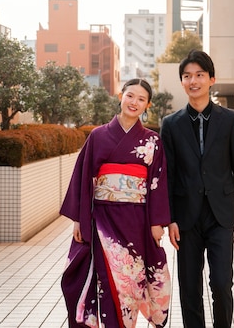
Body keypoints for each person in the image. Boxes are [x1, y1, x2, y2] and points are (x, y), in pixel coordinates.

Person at [60, 78, 171, 328]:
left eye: (141, 99)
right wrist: (79, 219)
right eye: (130, 96)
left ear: (147, 105)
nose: (134, 102)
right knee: (107, 281)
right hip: (103, 221)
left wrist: (157, 223)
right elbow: (82, 177)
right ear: (120, 96)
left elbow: (158, 183)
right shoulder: (98, 136)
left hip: (137, 221)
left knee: (131, 282)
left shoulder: (153, 141)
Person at [160, 50, 234, 328]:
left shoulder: (229, 119)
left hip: (221, 216)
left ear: (211, 79)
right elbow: (169, 175)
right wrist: (170, 219)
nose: (194, 81)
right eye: (187, 76)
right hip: (186, 219)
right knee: (189, 288)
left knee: (222, 283)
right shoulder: (171, 124)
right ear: (182, 82)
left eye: (200, 75)